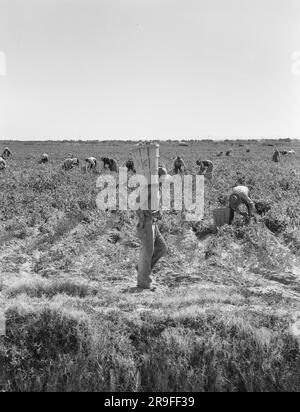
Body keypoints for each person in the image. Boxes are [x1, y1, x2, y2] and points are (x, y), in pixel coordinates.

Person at [136, 183, 168, 290]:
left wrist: (157, 213)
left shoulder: (158, 189)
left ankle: (141, 268)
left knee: (161, 248)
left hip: (154, 223)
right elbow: (137, 202)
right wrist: (143, 217)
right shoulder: (150, 188)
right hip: (147, 222)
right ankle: (144, 282)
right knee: (147, 250)